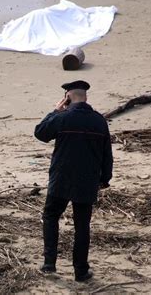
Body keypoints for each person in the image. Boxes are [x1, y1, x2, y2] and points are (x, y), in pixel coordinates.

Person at [34, 80, 113, 282]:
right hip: (87, 180)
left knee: (51, 216)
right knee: (82, 226)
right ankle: (81, 271)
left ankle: (49, 263)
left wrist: (55, 111)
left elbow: (41, 133)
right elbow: (107, 154)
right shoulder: (99, 121)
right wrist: (105, 179)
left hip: (61, 177)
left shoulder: (63, 117)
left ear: (67, 97)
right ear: (86, 97)